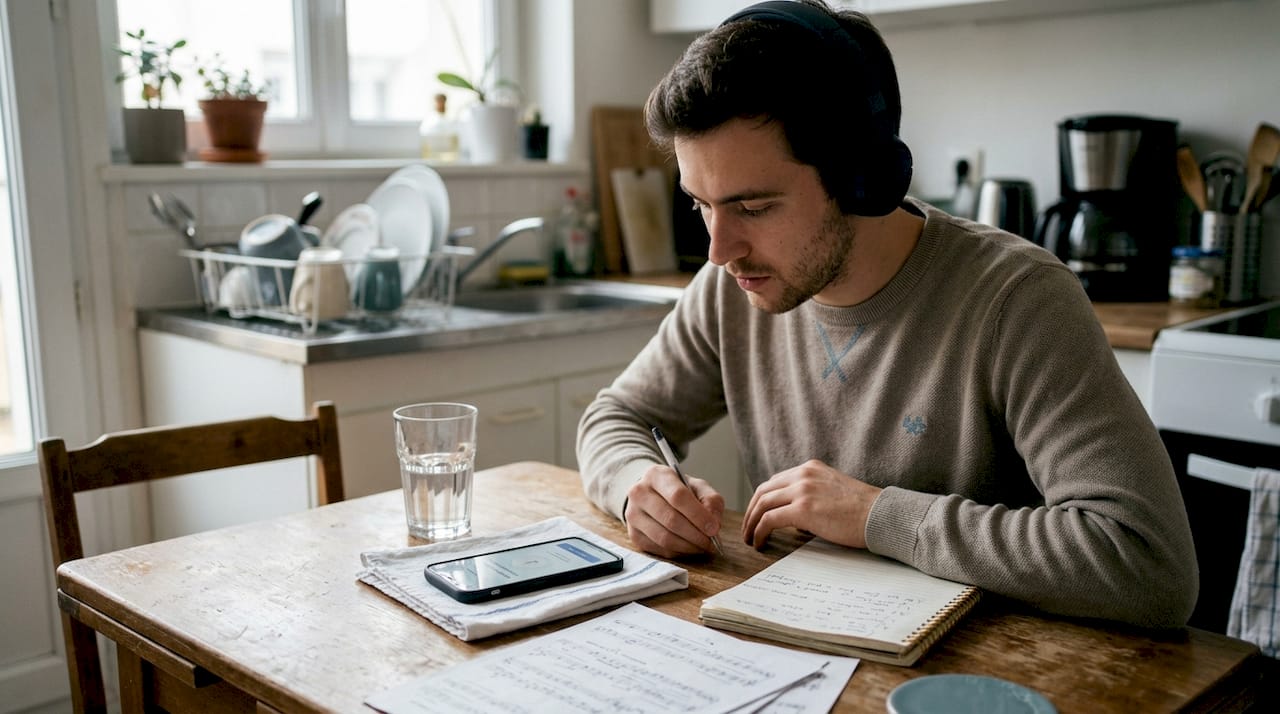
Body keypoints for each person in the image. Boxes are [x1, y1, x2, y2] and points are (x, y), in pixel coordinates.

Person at [576, 0, 1198, 629]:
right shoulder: (730, 284)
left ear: (861, 179)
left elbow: (1149, 564)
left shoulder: (1018, 300)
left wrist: (878, 515)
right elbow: (618, 415)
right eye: (700, 205)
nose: (719, 248)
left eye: (754, 207)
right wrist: (638, 483)